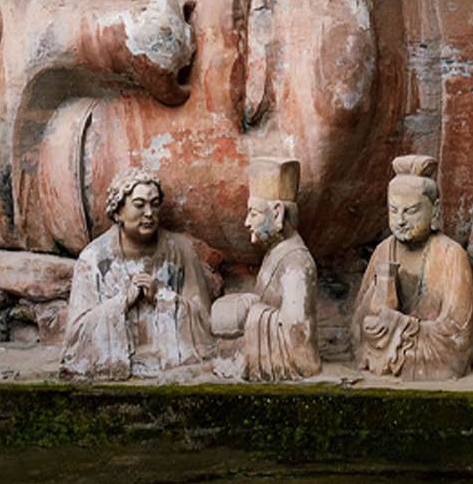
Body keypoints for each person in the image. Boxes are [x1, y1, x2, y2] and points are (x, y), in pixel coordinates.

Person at [60, 168, 214, 380]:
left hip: (173, 368)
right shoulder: (94, 258)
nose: (149, 213)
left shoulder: (180, 250)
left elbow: (204, 320)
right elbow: (76, 336)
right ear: (118, 211)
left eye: (155, 204)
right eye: (139, 205)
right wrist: (122, 302)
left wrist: (161, 296)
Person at [351, 155, 473, 380]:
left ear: (435, 211)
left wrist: (399, 324)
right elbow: (359, 323)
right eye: (394, 210)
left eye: (411, 211)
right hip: (391, 342)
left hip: (429, 349)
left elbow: (457, 333)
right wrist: (377, 298)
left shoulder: (452, 255)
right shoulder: (383, 250)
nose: (400, 220)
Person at [210, 157, 321, 381]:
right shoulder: (275, 253)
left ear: (277, 213)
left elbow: (297, 334)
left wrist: (249, 312)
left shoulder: (296, 263)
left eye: (253, 213)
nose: (246, 222)